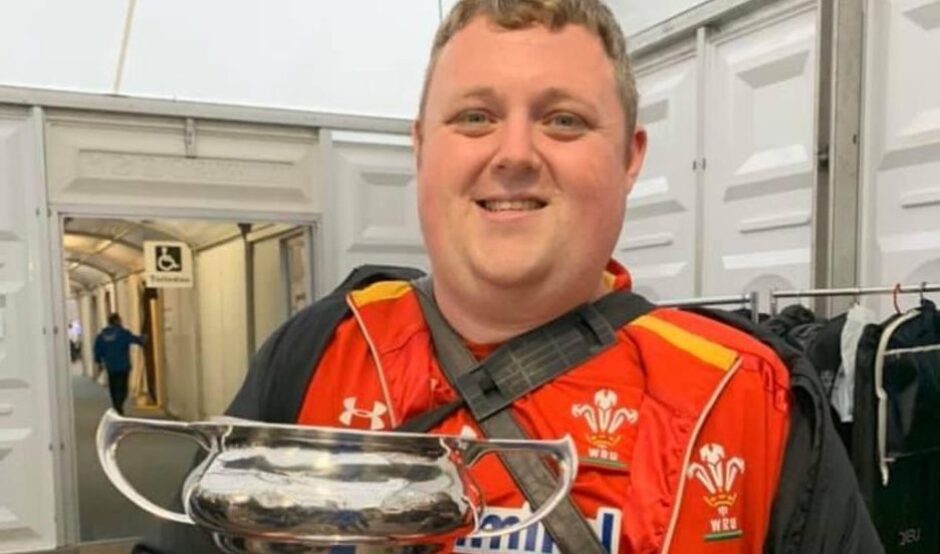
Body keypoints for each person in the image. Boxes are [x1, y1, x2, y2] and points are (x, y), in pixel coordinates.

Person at [138, 1, 881, 552]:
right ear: (421, 148)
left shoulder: (748, 396)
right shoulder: (320, 351)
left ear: (629, 158)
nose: (515, 153)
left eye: (563, 121)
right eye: (474, 118)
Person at [94, 313, 145, 415]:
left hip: (110, 366)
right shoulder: (123, 333)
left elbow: (97, 350)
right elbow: (135, 340)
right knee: (123, 388)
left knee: (113, 387)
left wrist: (99, 362)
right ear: (117, 321)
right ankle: (119, 404)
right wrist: (144, 338)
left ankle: (116, 405)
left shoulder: (101, 336)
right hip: (123, 366)